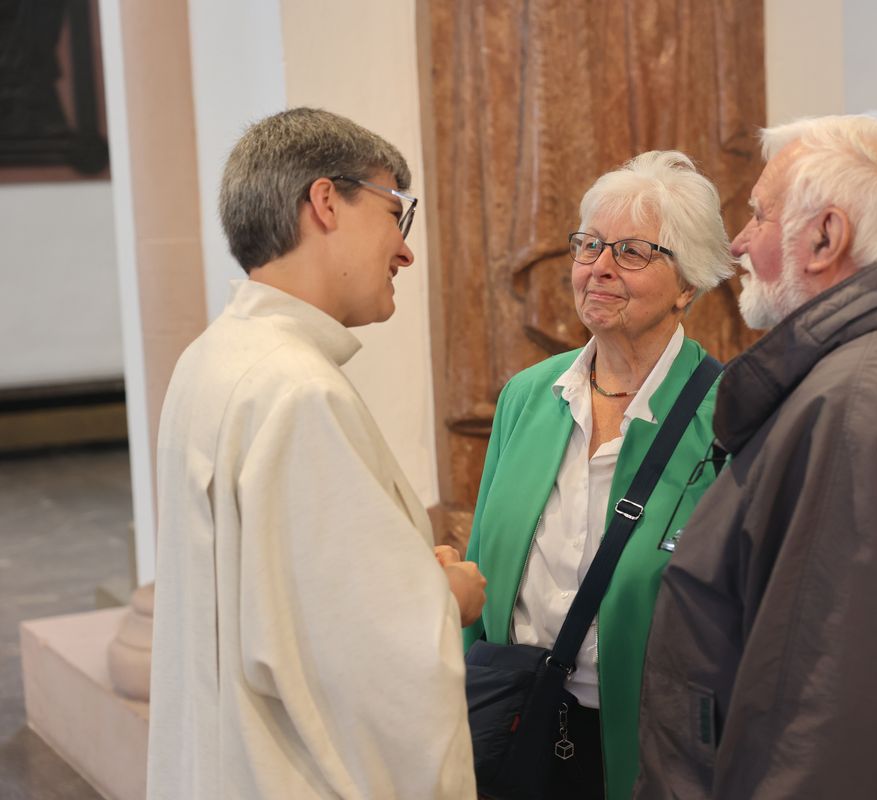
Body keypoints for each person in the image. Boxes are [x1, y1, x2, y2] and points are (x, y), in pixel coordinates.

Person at [636, 115, 877, 799]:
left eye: (758, 215)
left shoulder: (857, 407)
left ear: (824, 237)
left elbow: (822, 715)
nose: (739, 240)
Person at [147, 108, 485, 799]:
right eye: (397, 212)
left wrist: (396, 577)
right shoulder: (299, 392)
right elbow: (362, 663)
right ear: (327, 201)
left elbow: (280, 597)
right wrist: (444, 600)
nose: (405, 250)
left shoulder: (211, 359)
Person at [464, 151, 733, 799]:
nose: (600, 268)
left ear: (688, 282)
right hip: (514, 721)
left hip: (653, 748)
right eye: (590, 246)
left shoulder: (728, 417)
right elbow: (480, 569)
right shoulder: (528, 396)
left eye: (634, 252)